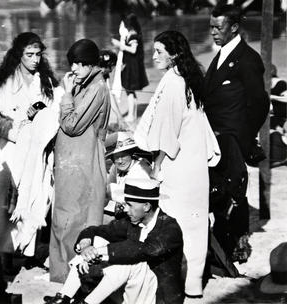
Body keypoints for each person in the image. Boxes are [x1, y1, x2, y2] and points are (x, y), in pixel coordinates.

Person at [134, 30, 220, 297]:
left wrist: (152, 158)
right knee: (194, 226)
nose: (154, 56)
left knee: (176, 224)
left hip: (179, 165)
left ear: (174, 55)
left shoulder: (173, 82)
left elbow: (165, 133)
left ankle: (175, 285)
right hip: (194, 165)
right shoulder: (188, 79)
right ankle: (193, 285)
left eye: (159, 51)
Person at [0, 32, 61, 271]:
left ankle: (27, 251)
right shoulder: (5, 83)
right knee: (12, 200)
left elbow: (55, 112)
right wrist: (18, 130)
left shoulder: (46, 82)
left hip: (39, 152)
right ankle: (6, 253)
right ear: (19, 55)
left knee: (39, 196)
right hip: (13, 151)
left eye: (38, 54)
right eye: (29, 55)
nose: (35, 59)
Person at [44, 178, 184, 304]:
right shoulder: (133, 221)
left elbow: (142, 250)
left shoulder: (169, 228)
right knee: (98, 241)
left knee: (132, 260)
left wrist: (98, 253)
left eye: (130, 205)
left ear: (146, 206)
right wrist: (86, 246)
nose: (126, 210)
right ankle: (63, 297)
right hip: (132, 291)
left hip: (157, 297)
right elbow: (95, 231)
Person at [203, 4, 269, 265]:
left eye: (218, 27)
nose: (213, 33)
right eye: (210, 27)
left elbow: (260, 103)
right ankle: (223, 243)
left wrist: (242, 136)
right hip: (215, 138)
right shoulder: (220, 55)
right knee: (219, 191)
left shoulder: (248, 59)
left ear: (233, 27)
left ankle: (235, 245)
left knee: (233, 193)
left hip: (231, 138)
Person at [50, 38, 111, 283]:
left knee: (77, 215)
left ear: (89, 64)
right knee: (65, 213)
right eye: (72, 63)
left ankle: (70, 277)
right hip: (73, 160)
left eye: (77, 63)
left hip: (84, 160)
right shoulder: (84, 84)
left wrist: (65, 95)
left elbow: (71, 124)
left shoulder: (97, 88)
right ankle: (61, 273)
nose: (73, 68)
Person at [104, 131, 151, 220]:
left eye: (123, 155)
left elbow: (132, 195)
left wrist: (107, 191)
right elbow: (105, 193)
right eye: (116, 157)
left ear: (130, 153)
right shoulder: (116, 167)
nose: (120, 161)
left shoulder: (142, 169)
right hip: (122, 217)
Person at [111, 13, 148, 123]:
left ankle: (132, 115)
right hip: (130, 65)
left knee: (129, 90)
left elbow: (133, 50)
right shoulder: (133, 34)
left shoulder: (133, 35)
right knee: (130, 90)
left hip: (131, 67)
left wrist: (119, 45)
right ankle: (133, 114)